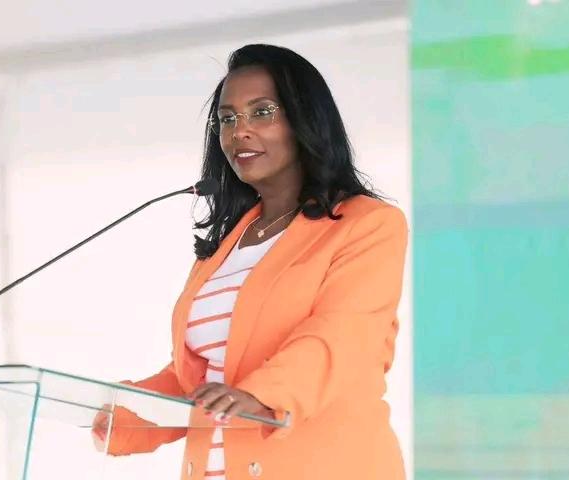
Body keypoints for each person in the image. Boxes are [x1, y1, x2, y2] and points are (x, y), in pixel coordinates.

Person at [93, 43, 408, 480]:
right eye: (227, 119)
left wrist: (262, 395)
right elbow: (198, 381)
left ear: (304, 119)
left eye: (261, 112)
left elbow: (342, 337)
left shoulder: (367, 225)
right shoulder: (225, 247)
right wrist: (124, 412)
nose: (239, 131)